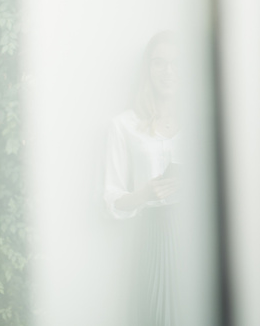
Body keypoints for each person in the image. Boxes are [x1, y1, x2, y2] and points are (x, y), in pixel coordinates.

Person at [104, 31, 181, 325]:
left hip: (200, 232)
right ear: (147, 70)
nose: (168, 71)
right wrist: (145, 193)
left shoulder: (200, 122)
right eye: (159, 63)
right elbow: (111, 199)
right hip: (154, 235)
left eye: (176, 63)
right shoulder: (123, 125)